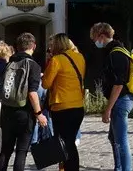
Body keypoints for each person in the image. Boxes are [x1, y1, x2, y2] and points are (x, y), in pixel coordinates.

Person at [0, 33, 47, 171]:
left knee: (5, 151)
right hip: (25, 114)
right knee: (21, 152)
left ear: (17, 47)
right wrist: (39, 113)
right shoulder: (33, 65)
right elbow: (32, 93)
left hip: (6, 111)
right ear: (33, 46)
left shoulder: (9, 64)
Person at [91, 22, 133, 171]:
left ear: (102, 36)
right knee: (113, 138)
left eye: (94, 38)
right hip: (120, 99)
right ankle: (119, 167)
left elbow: (119, 84)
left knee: (121, 140)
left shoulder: (116, 53)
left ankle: (125, 169)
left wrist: (108, 109)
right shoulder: (114, 50)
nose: (95, 42)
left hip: (121, 100)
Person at [42, 33, 86, 171]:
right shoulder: (80, 57)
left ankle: (67, 168)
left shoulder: (57, 60)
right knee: (70, 142)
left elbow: (46, 83)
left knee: (63, 143)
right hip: (78, 105)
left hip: (61, 106)